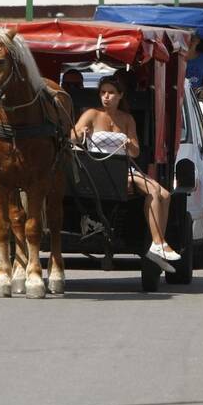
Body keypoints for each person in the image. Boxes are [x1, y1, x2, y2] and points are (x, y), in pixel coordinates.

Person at [71, 75, 179, 264]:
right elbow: (72, 137)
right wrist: (81, 134)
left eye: (111, 93)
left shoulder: (127, 119)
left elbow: (135, 152)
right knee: (154, 191)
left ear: (120, 95)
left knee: (166, 195)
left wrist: (128, 143)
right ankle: (158, 242)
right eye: (103, 92)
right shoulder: (91, 114)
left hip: (124, 168)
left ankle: (158, 244)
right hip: (99, 169)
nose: (106, 97)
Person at [184, 30, 203, 109]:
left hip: (197, 94)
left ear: (198, 41)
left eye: (192, 39)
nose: (189, 42)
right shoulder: (175, 58)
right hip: (179, 93)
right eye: (186, 39)